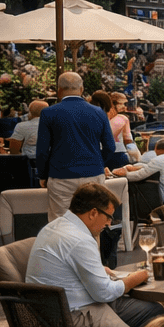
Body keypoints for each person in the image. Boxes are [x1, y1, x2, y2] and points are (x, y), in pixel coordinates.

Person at [25, 182, 164, 327]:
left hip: (50, 312)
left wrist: (97, 270)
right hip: (70, 318)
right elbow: (104, 293)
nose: (109, 224)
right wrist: (139, 276)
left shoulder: (54, 226)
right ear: (93, 213)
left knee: (155, 310)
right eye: (109, 217)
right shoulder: (79, 239)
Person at [35, 72, 130, 219]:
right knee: (93, 221)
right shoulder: (99, 112)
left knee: (61, 221)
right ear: (81, 89)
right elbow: (110, 147)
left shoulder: (49, 113)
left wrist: (42, 174)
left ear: (59, 90)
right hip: (93, 174)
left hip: (61, 175)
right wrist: (97, 163)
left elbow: (42, 150)